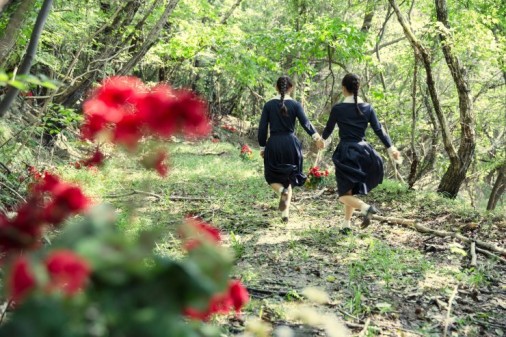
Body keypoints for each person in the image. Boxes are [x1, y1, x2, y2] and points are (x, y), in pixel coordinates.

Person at [316, 73, 401, 230]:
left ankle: (365, 208)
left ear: (343, 88)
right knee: (349, 191)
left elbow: (328, 130)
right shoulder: (367, 108)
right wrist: (391, 148)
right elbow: (379, 130)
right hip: (363, 152)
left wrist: (321, 141)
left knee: (343, 195)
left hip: (346, 152)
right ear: (358, 88)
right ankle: (346, 225)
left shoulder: (338, 109)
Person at [258, 76, 322, 222]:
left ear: (276, 87)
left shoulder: (268, 105)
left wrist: (262, 146)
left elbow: (262, 128)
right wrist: (316, 137)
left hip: (274, 143)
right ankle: (285, 215)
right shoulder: (296, 105)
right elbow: (306, 123)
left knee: (271, 176)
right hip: (291, 144)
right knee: (289, 178)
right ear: (291, 88)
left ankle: (281, 192)